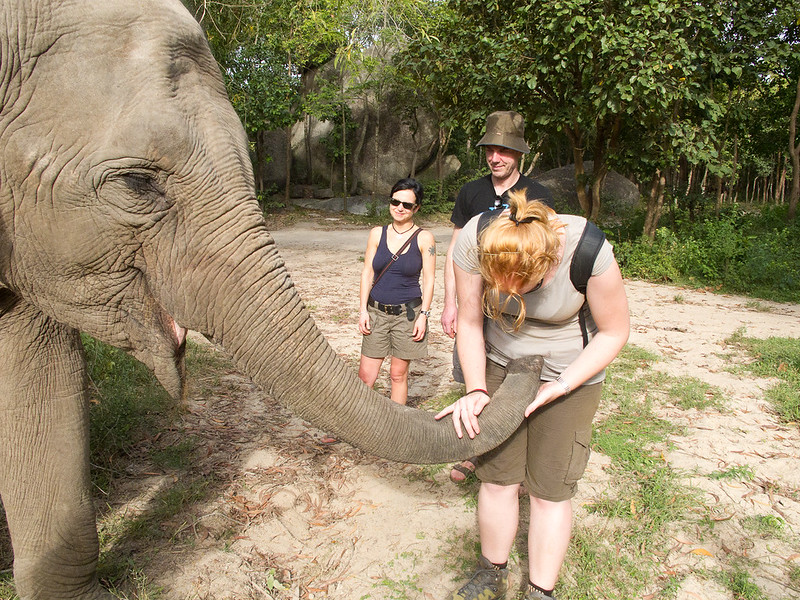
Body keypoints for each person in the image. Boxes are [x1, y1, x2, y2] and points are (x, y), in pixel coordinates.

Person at [435, 190, 629, 600]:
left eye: (525, 287)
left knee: (549, 489)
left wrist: (561, 385)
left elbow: (614, 332)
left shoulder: (586, 249)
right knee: (497, 477)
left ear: (547, 265)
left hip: (569, 370)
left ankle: (541, 590)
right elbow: (470, 323)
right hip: (502, 361)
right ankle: (492, 573)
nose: (514, 297)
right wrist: (475, 389)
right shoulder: (476, 239)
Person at [442, 110, 554, 482]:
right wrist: (449, 302)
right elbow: (456, 248)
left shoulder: (538, 195)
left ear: (519, 154)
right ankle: (478, 450)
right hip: (476, 298)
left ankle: (519, 454)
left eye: (504, 150)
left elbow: (549, 253)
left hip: (520, 302)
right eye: (490, 149)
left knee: (519, 374)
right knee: (475, 372)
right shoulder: (471, 191)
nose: (495, 157)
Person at [357, 177, 435, 405]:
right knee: (365, 377)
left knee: (397, 375)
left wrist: (424, 316)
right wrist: (363, 311)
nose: (400, 208)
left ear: (416, 208)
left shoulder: (424, 238)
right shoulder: (376, 234)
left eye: (407, 205)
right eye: (395, 201)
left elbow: (429, 279)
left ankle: (396, 430)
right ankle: (360, 423)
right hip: (377, 313)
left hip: (407, 315)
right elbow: (367, 273)